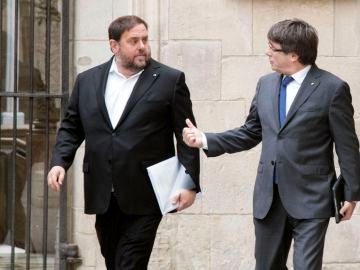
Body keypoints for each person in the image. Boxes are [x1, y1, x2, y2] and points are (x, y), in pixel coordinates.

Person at [183, 19, 360, 270]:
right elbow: (251, 132)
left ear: (294, 54)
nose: (267, 52)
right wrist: (205, 139)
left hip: (312, 197)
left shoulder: (332, 88)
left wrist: (351, 194)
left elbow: (348, 146)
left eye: (272, 47)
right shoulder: (265, 84)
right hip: (268, 199)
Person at [47, 15, 200, 270]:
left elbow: (187, 136)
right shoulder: (87, 81)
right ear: (114, 45)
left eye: (145, 39)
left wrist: (188, 183)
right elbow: (72, 128)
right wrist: (59, 163)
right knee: (113, 260)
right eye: (133, 41)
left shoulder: (169, 80)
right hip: (102, 191)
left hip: (147, 194)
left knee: (129, 263)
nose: (142, 46)